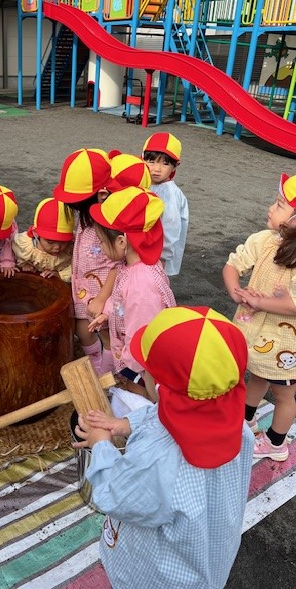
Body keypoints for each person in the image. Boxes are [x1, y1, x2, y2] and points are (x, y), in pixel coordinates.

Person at [73, 306, 254, 589]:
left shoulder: (158, 461)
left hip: (160, 575)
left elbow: (115, 495)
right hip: (208, 554)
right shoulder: (239, 428)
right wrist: (126, 424)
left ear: (158, 384)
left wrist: (101, 446)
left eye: (146, 368)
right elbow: (162, 411)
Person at [222, 172, 296, 462]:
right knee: (257, 375)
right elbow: (233, 264)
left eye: (279, 205)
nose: (270, 208)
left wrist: (259, 301)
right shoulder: (265, 240)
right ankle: (245, 419)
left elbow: (293, 305)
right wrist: (236, 291)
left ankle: (276, 443)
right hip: (256, 333)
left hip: (285, 345)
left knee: (284, 395)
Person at [88, 185, 176, 403]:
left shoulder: (141, 284)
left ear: (121, 241)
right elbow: (121, 299)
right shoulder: (132, 266)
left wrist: (130, 366)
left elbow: (141, 336)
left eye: (102, 241)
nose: (100, 246)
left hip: (142, 365)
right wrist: (108, 313)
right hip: (134, 354)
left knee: (141, 399)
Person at [53, 148, 117, 375]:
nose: (75, 208)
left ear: (102, 195)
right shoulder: (86, 215)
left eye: (78, 203)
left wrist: (102, 299)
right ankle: (96, 361)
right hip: (82, 291)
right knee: (82, 330)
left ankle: (108, 374)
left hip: (103, 294)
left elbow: (117, 267)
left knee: (108, 336)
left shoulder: (107, 223)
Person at [142, 133, 189, 276]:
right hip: (143, 250)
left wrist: (162, 257)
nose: (157, 168)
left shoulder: (171, 193)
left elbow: (170, 228)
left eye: (165, 163)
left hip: (157, 257)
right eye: (151, 161)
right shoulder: (144, 183)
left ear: (175, 166)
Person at [12, 197, 74, 282]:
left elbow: (77, 266)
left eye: (63, 242)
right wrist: (25, 264)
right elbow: (16, 254)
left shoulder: (71, 249)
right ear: (36, 234)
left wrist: (60, 275)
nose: (57, 247)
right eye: (50, 242)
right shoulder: (26, 246)